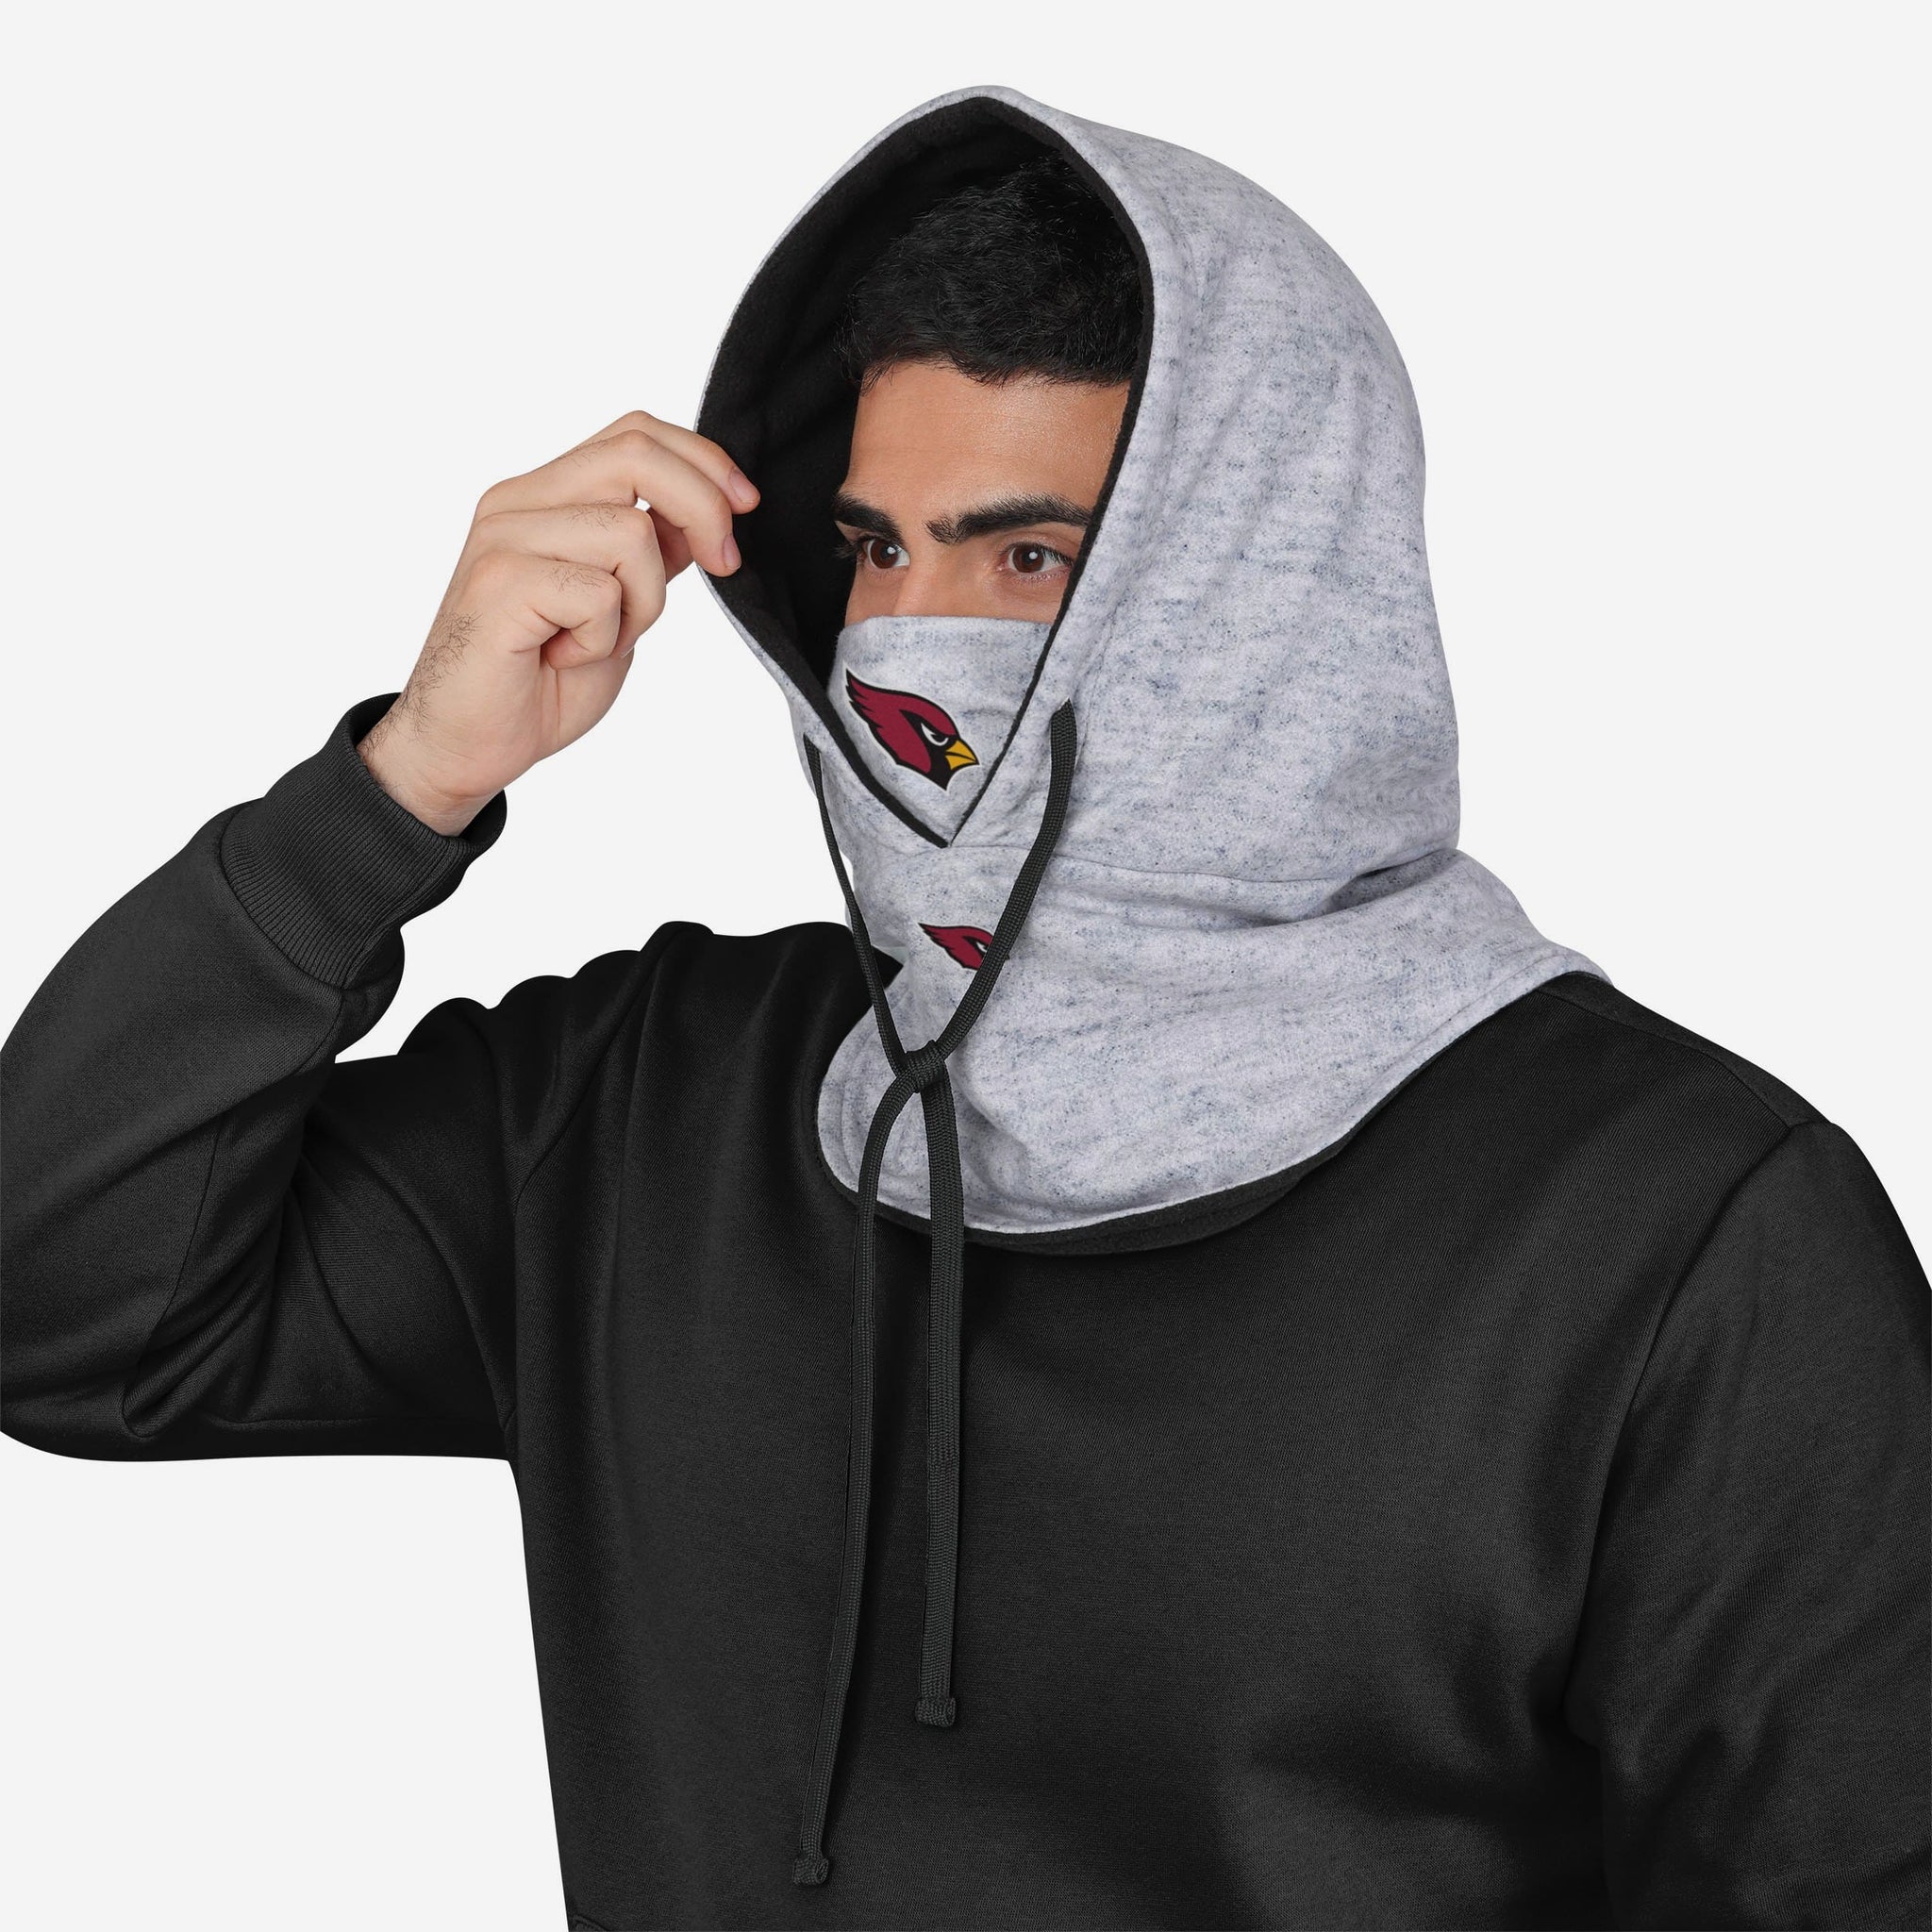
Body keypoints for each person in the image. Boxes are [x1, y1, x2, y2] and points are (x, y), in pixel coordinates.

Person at [3, 82, 1926, 1932]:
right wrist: (402, 784)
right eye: (872, 551)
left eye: (1025, 557)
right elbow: (65, 1309)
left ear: (1269, 588)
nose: (913, 637)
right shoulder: (643, 1105)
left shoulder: (1684, 1229)